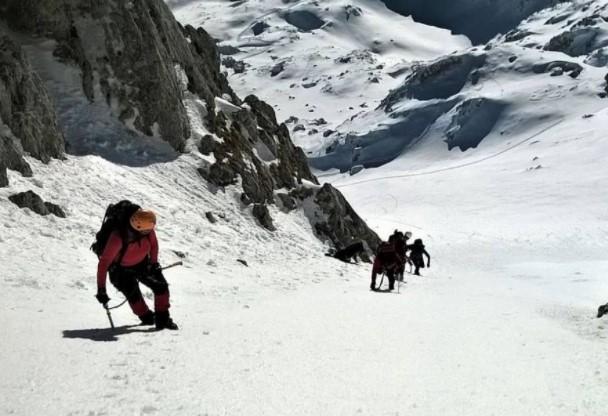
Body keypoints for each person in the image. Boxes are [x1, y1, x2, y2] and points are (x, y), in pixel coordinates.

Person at [95, 209, 178, 330]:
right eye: (149, 229)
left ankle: (163, 319)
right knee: (134, 296)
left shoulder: (147, 230)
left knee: (161, 287)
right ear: (139, 227)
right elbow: (104, 263)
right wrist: (101, 289)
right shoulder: (118, 237)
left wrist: (154, 263)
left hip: (143, 264)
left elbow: (154, 245)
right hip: (119, 271)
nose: (151, 230)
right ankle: (147, 317)